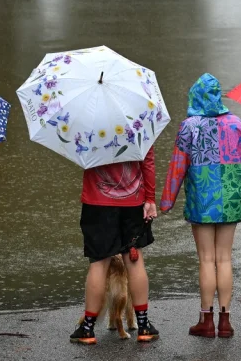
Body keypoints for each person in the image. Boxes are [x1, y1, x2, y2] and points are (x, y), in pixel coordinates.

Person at [160, 74, 241, 339]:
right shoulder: (236, 123)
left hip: (202, 200)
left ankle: (206, 321)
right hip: (231, 198)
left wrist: (166, 202)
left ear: (195, 96)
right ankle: (225, 322)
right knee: (225, 258)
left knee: (206, 259)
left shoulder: (188, 126)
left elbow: (177, 167)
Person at [70, 147, 159, 344]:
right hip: (133, 201)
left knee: (99, 263)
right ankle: (143, 326)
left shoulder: (87, 120)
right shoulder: (140, 119)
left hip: (97, 202)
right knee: (134, 261)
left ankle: (87, 329)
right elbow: (148, 161)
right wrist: (150, 198)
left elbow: (80, 156)